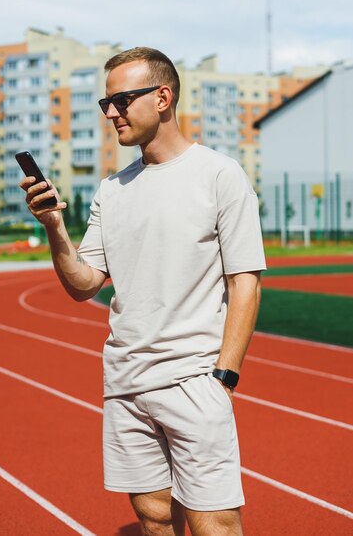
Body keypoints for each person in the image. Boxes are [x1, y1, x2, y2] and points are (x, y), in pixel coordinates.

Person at [20, 47, 266, 536]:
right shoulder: (112, 190)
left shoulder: (219, 175)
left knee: (214, 520)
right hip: (126, 382)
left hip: (194, 378)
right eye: (104, 103)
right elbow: (83, 284)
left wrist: (224, 377)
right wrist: (53, 226)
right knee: (153, 517)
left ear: (162, 97)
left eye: (122, 99)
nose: (111, 112)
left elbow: (245, 282)